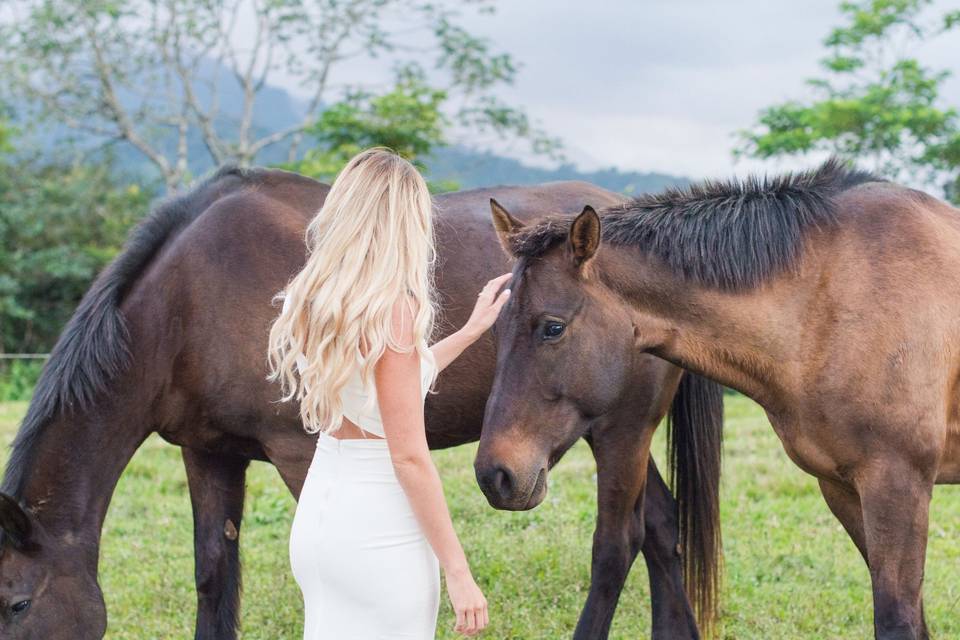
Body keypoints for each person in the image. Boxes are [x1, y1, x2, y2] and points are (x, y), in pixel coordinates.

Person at [267, 147, 511, 639]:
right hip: (377, 529)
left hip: (322, 516)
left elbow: (384, 386)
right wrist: (459, 573)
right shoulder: (393, 310)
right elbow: (409, 459)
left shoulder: (315, 298)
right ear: (404, 221)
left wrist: (468, 332)